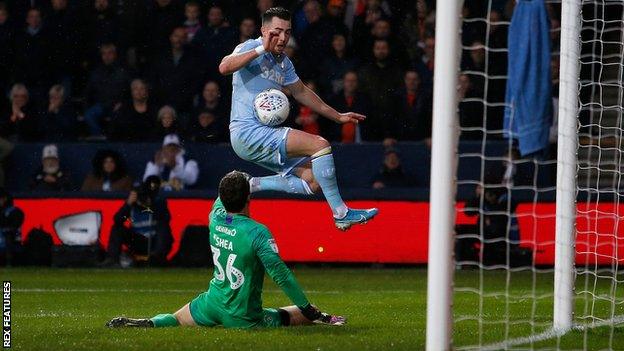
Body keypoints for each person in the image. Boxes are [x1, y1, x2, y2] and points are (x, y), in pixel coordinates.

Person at [106, 170, 345, 328]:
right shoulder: (257, 232)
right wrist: (306, 308)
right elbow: (281, 275)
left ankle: (150, 323)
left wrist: (247, 184)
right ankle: (320, 315)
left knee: (176, 320)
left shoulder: (216, 217)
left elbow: (226, 195)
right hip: (242, 314)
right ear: (248, 199)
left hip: (212, 302)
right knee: (294, 314)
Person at [218, 7, 377, 230]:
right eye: (276, 32)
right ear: (263, 31)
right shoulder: (250, 47)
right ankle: (341, 213)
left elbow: (301, 92)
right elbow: (224, 67)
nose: (282, 38)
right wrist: (260, 49)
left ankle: (251, 184)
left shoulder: (283, 62)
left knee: (313, 181)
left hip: (258, 137)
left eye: (287, 32)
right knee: (320, 145)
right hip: (247, 131)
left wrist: (338, 116)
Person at [100, 175, 172, 267]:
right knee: (117, 229)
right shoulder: (131, 206)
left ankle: (157, 259)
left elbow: (166, 219)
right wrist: (127, 204)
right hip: (138, 241)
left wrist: (150, 204)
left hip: (154, 241)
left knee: (163, 227)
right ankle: (112, 259)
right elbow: (117, 221)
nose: (140, 196)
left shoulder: (158, 202)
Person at [0, 188, 25, 266]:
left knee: (7, 236)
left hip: (8, 241)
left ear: (4, 199)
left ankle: (9, 261)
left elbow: (13, 227)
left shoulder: (14, 212)